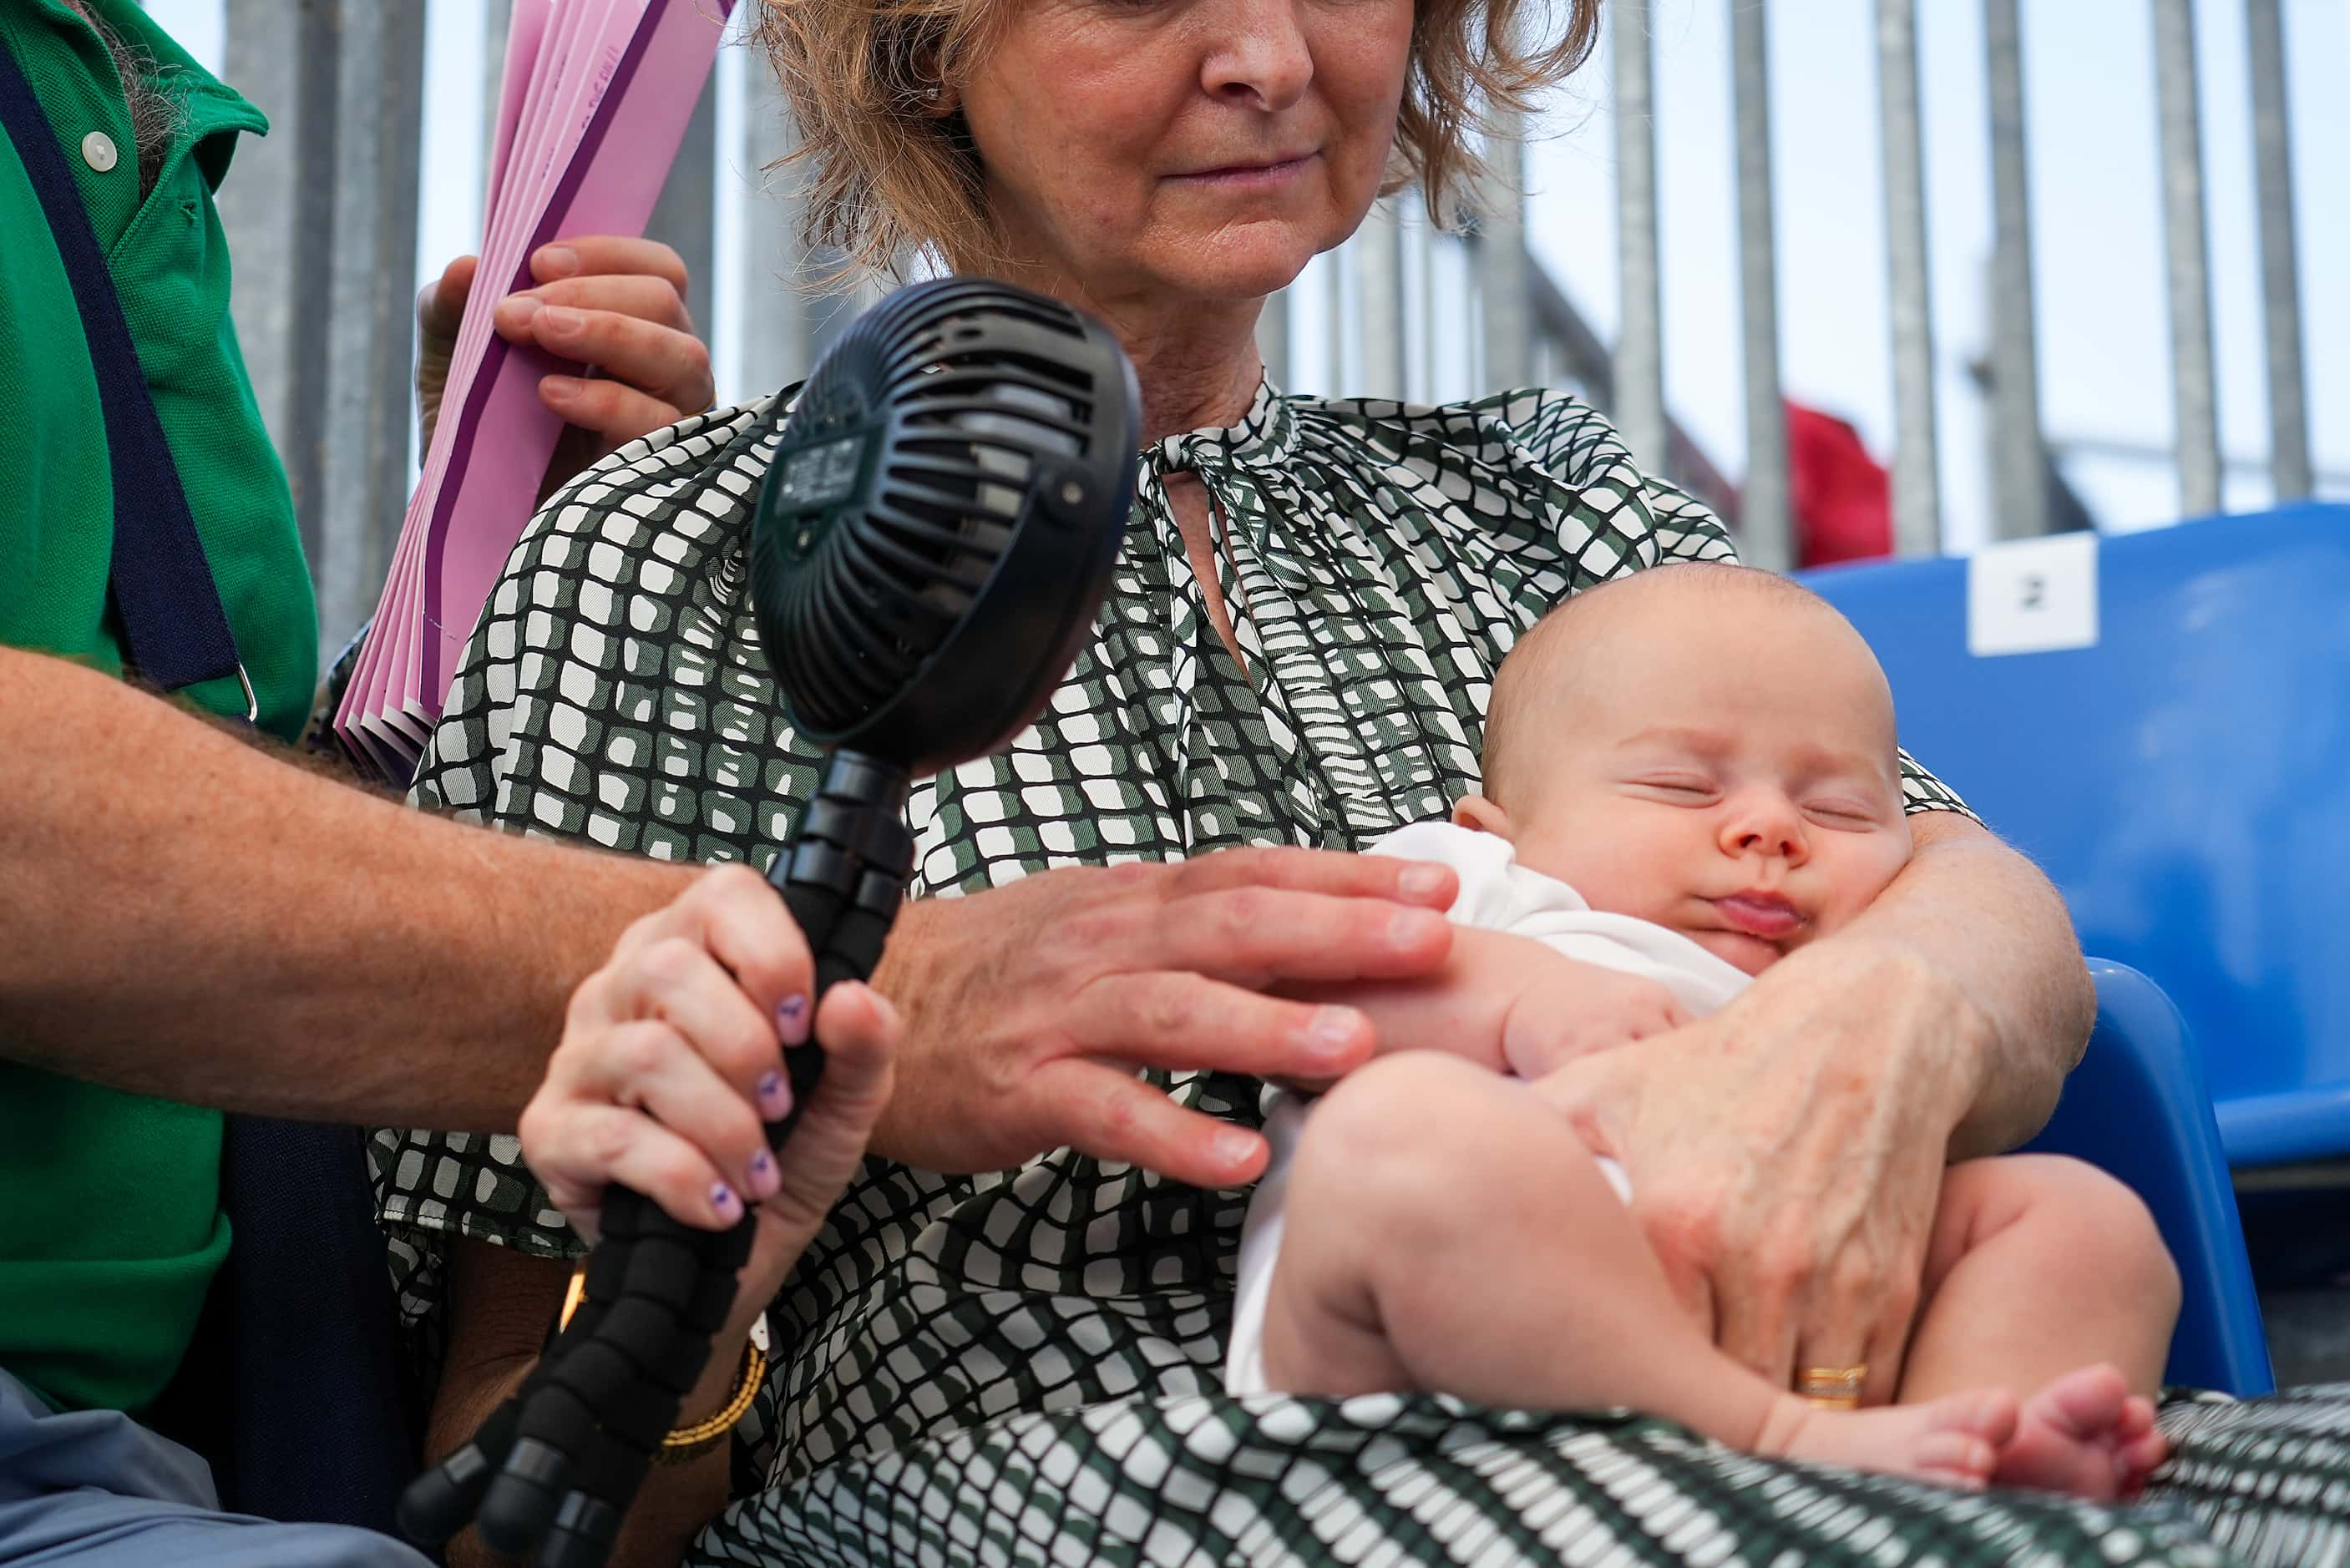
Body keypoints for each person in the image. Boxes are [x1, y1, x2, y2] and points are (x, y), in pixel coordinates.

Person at [392, 1, 2350, 1565]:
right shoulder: (689, 539)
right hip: (1067, 1473)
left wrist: (1882, 1016)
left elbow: (1970, 887)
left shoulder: (1547, 491)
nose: (1267, 54)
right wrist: (715, 1285)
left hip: (1787, 1393)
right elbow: (511, 1467)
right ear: (925, 45)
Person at [0, 2, 742, 1561]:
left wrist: (487, 575)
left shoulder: (108, 89)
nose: (1260, 60)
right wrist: (801, 989)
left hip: (161, 1434)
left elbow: (206, 752)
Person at [1218, 564, 2180, 1501]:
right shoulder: (1483, 885)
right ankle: (1788, 1442)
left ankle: (1985, 1466)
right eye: (1685, 787)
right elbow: (1300, 990)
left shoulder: (1842, 963)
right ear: (1496, 829)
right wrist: (1519, 997)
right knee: (1403, 1132)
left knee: (2079, 1220)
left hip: (1789, 1314)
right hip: (1409, 1379)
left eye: (1837, 808)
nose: (1770, 828)